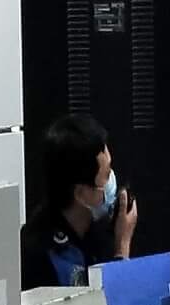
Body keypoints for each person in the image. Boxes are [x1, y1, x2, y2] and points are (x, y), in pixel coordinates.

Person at [21, 112, 138, 291]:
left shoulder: (99, 230)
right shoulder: (42, 254)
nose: (112, 181)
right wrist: (122, 248)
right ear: (81, 194)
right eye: (107, 175)